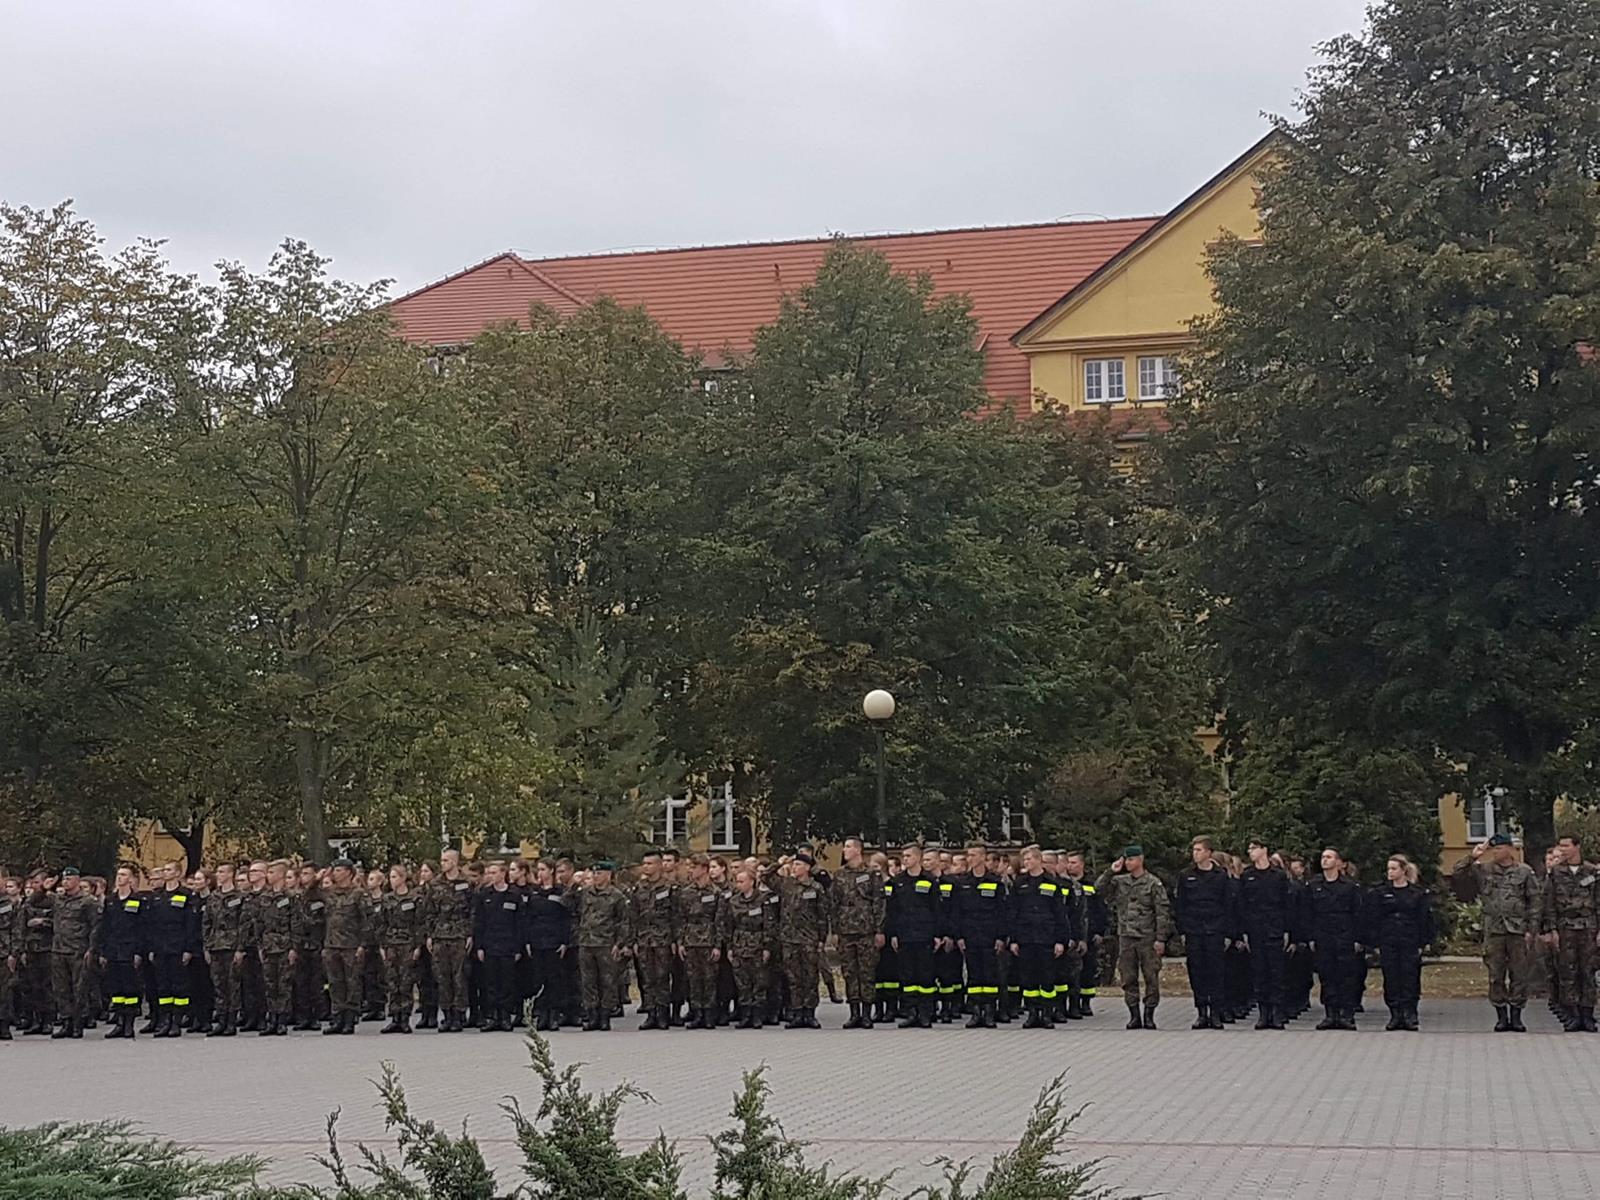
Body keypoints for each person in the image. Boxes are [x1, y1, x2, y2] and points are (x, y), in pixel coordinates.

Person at [1451, 833, 1540, 1031]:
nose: (1495, 852)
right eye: (1493, 849)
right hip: (1494, 930)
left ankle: (1516, 1015)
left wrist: (1531, 930)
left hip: (1517, 930)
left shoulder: (1524, 871)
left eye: (1499, 848)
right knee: (1495, 974)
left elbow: (1534, 902)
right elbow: (1457, 872)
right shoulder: (1484, 870)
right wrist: (1473, 856)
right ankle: (1501, 1016)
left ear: (1509, 849)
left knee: (1519, 974)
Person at [1098, 845, 1171, 1029]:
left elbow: (1162, 912)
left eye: (1131, 859)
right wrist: (1110, 871)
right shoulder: (1120, 881)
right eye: (1126, 860)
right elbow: (1098, 890)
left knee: (1151, 977)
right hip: (1126, 937)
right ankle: (1134, 1015)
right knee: (1128, 977)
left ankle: (1149, 1015)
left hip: (1147, 938)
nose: (1127, 863)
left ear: (1140, 859)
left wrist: (1161, 938)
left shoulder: (1153, 883)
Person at [1365, 854, 1433, 1031]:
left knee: (1410, 977)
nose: (1390, 872)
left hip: (1409, 940)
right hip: (1388, 940)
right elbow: (1374, 918)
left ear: (1403, 870)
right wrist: (1375, 943)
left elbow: (1424, 918)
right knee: (1391, 977)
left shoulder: (1417, 893)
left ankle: (1409, 1013)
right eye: (1388, 869)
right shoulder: (1381, 893)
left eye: (1394, 868)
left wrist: (1423, 942)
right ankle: (1395, 1013)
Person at [1298, 847, 1363, 1030]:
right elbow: (1307, 912)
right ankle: (1330, 1014)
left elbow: (1358, 913)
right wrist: (1310, 936)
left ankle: (1346, 1015)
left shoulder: (1350, 886)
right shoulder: (1313, 885)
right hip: (1323, 935)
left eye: (1329, 857)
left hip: (1344, 935)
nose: (1325, 860)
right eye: (1323, 857)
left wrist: (1358, 938)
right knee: (1327, 976)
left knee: (1346, 976)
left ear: (1339, 862)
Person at [1541, 834, 1599, 1032]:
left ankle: (1588, 1015)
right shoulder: (1556, 873)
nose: (1563, 849)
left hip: (1588, 928)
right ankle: (1572, 1015)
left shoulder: (1592, 872)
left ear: (1577, 847)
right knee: (1567, 972)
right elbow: (1549, 904)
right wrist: (1552, 930)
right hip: (1565, 928)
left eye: (1566, 846)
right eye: (1560, 846)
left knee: (1588, 972)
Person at [1176, 836, 1234, 1030]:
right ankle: (1201, 1012)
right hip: (1194, 930)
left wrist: (1228, 933)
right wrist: (1183, 930)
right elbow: (1181, 905)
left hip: (1215, 930)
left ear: (1209, 852)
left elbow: (1228, 905)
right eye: (1194, 850)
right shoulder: (1186, 875)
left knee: (1216, 972)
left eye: (1199, 850)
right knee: (1197, 972)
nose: (1195, 854)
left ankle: (1216, 1012)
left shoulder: (1220, 876)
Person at [1009, 846, 1068, 1029]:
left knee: (1047, 978)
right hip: (1026, 937)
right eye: (1024, 860)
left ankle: (1047, 1014)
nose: (1026, 863)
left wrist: (1061, 941)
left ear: (1038, 860)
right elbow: (1013, 912)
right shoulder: (1020, 883)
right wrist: (1014, 939)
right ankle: (1033, 1013)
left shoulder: (1052, 883)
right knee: (1028, 978)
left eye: (1029, 859)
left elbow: (1060, 914)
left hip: (1046, 937)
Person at [950, 842, 1007, 1029]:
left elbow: (1002, 912)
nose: (970, 859)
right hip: (969, 935)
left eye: (973, 855)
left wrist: (1000, 937)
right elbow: (956, 912)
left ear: (983, 857)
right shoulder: (962, 883)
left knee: (990, 975)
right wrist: (959, 936)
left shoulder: (995, 882)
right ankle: (976, 1012)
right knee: (973, 975)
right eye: (968, 855)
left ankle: (989, 1012)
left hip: (990, 935)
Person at [830, 837, 885, 1030]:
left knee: (866, 972)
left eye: (848, 846)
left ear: (858, 850)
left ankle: (867, 1013)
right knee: (849, 973)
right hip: (845, 931)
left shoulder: (871, 874)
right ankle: (854, 1013)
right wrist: (834, 931)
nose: (844, 850)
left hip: (866, 931)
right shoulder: (839, 875)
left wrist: (879, 930)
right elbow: (834, 904)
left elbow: (879, 902)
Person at [887, 844, 943, 1028]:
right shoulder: (898, 881)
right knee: (907, 977)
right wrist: (893, 934)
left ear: (918, 858)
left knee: (926, 976)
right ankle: (911, 1012)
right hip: (905, 934)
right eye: (903, 856)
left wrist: (937, 934)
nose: (905, 859)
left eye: (908, 856)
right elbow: (893, 910)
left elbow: (937, 909)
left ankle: (926, 1013)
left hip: (925, 934)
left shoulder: (930, 880)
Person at [144, 861, 201, 1038]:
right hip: (160, 947)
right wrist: (152, 948)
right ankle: (165, 1020)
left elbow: (191, 924)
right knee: (163, 987)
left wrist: (188, 949)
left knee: (179, 986)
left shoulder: (186, 895)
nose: (165, 872)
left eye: (169, 870)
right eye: (164, 870)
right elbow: (151, 924)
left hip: (178, 947)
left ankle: (177, 1021)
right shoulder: (157, 897)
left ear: (177, 873)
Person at [1237, 840, 1290, 1029]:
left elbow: (1286, 904)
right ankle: (1263, 1013)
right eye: (1249, 848)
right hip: (1255, 930)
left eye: (1254, 848)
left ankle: (1277, 1013)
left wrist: (1287, 930)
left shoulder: (1278, 875)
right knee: (1259, 972)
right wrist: (1244, 931)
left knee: (1276, 972)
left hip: (1274, 928)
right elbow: (1242, 905)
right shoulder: (1247, 876)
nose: (1250, 851)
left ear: (1264, 850)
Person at [573, 860, 631, 1031]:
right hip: (586, 942)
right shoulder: (585, 893)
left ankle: (605, 1016)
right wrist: (575, 884)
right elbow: (567, 903)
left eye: (599, 873)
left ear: (608, 875)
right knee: (588, 981)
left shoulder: (616, 896)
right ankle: (592, 1016)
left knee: (608, 981)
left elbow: (623, 922)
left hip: (606, 943)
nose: (595, 876)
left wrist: (620, 943)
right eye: (594, 873)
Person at [775, 853, 830, 1029]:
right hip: (789, 939)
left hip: (809, 939)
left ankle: (810, 1013)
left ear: (807, 867)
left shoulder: (816, 888)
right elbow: (766, 877)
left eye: (798, 864)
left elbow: (822, 915)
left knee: (810, 978)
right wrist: (780, 862)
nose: (794, 867)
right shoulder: (786, 885)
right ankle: (797, 1013)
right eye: (793, 864)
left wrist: (822, 938)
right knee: (794, 978)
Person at [425, 849, 475, 1033]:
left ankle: (459, 1015)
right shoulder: (434, 884)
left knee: (459, 976)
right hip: (440, 935)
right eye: (442, 860)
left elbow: (472, 911)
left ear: (454, 862)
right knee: (442, 976)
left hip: (459, 935)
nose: (443, 863)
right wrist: (430, 935)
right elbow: (429, 911)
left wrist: (469, 934)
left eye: (446, 860)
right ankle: (446, 1014)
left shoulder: (467, 883)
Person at [673, 856, 724, 1029]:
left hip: (708, 940)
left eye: (693, 867)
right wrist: (680, 942)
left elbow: (720, 921)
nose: (690, 870)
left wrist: (717, 945)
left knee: (709, 980)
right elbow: (681, 919)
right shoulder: (686, 892)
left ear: (704, 869)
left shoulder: (716, 892)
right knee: (693, 980)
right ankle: (697, 1013)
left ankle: (709, 1015)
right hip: (691, 940)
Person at [48, 868, 100, 1039]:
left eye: (69, 879)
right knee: (61, 989)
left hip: (78, 949)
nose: (65, 882)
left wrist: (92, 949)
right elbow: (35, 901)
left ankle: (78, 1023)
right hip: (59, 949)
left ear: (77, 880)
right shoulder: (58, 899)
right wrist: (44, 888)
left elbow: (95, 926)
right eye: (64, 879)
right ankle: (66, 1022)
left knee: (79, 988)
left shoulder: (88, 901)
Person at [92, 867, 144, 1040]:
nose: (119, 878)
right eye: (118, 874)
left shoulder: (137, 900)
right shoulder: (111, 901)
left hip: (129, 950)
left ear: (131, 879)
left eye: (124, 875)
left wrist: (138, 952)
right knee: (116, 988)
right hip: (113, 950)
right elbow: (104, 927)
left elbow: (141, 928)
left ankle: (129, 1023)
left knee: (130, 988)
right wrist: (103, 951)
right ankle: (119, 1022)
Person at [320, 859, 368, 1036]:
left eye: (339, 870)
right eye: (334, 870)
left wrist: (363, 944)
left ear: (349, 872)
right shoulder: (329, 893)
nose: (335, 873)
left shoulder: (358, 894)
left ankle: (350, 1019)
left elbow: (367, 921)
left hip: (351, 945)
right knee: (335, 983)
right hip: (331, 944)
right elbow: (308, 895)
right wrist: (320, 877)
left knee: (352, 983)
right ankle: (337, 1018)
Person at [376, 864, 425, 1033]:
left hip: (407, 943)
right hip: (391, 943)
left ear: (403, 878)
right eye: (390, 877)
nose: (392, 880)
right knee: (392, 981)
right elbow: (381, 923)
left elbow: (419, 924)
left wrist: (418, 946)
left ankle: (405, 1018)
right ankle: (394, 1017)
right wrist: (382, 945)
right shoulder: (387, 899)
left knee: (406, 982)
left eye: (395, 877)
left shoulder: (414, 899)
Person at [631, 851, 677, 1031]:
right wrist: (634, 939)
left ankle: (663, 1014)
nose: (646, 867)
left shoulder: (670, 887)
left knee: (662, 977)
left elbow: (676, 915)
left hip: (663, 938)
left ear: (659, 865)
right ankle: (651, 1014)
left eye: (649, 864)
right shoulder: (639, 888)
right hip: (644, 939)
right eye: (644, 863)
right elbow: (633, 916)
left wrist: (675, 939)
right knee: (648, 978)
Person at [202, 863, 249, 1037]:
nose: (218, 874)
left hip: (232, 945)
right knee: (218, 984)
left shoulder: (240, 897)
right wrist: (207, 946)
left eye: (222, 872)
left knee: (232, 985)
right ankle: (221, 1020)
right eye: (218, 871)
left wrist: (240, 948)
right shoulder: (213, 897)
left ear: (231, 874)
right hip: (215, 945)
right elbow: (206, 923)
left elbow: (244, 924)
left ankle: (231, 1021)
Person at [723, 866, 773, 1027]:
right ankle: (745, 1016)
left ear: (752, 882)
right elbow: (729, 926)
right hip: (739, 945)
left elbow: (769, 925)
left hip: (757, 944)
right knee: (742, 983)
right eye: (737, 881)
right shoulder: (734, 901)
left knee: (759, 982)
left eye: (742, 881)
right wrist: (730, 948)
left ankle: (757, 1016)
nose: (739, 884)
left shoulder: (763, 899)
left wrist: (767, 947)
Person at [524, 859, 570, 1031]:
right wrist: (528, 940)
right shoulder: (534, 892)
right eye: (538, 869)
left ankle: (553, 1014)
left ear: (551, 871)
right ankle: (542, 1014)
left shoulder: (560, 892)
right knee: (539, 979)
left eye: (543, 869)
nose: (540, 872)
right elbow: (528, 917)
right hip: (537, 939)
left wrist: (564, 941)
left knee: (553, 979)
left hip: (554, 940)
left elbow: (565, 918)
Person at [1061, 852, 1105, 1018]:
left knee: (1088, 970)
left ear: (1082, 865)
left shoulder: (1090, 885)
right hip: (1075, 934)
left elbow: (1100, 910)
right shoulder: (1066, 885)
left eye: (1074, 863)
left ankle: (1085, 1002)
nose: (1070, 865)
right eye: (1068, 862)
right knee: (1071, 973)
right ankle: (1071, 1003)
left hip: (1090, 934)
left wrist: (1100, 931)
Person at [254, 860, 295, 1036]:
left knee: (283, 984)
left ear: (280, 875)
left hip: (285, 945)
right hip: (268, 945)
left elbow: (296, 923)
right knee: (270, 984)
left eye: (271, 873)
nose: (268, 876)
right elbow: (258, 923)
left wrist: (293, 947)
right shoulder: (263, 897)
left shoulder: (291, 897)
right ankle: (272, 1019)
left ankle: (282, 1020)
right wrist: (260, 945)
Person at [291, 862, 327, 1030]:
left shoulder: (320, 896)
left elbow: (322, 921)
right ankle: (303, 1017)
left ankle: (315, 1017)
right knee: (301, 982)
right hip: (300, 944)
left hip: (316, 943)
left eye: (307, 874)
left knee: (315, 983)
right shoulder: (297, 896)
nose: (303, 877)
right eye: (302, 874)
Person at [0, 876, 20, 1040]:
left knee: (5, 991)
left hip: (4, 952)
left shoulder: (9, 904)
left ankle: (3, 1025)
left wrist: (14, 953)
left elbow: (16, 929)